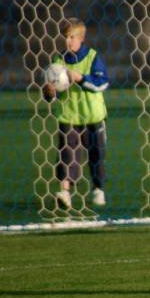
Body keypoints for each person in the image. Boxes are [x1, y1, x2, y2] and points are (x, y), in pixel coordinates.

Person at [42, 17, 110, 208]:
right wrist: (49, 94)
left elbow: (102, 83)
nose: (67, 41)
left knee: (96, 155)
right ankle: (64, 193)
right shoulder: (58, 60)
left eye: (71, 37)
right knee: (66, 155)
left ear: (81, 38)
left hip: (93, 116)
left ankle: (98, 189)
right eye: (65, 37)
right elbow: (52, 92)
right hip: (68, 116)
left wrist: (79, 77)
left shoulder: (92, 57)